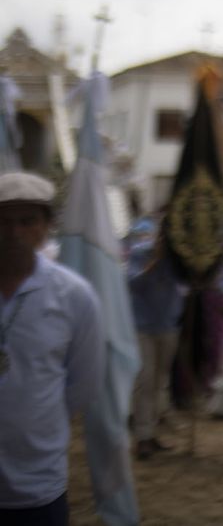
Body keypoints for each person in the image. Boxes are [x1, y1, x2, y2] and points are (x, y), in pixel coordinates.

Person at [0, 171, 104, 526]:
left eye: (27, 221)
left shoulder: (74, 297)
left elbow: (84, 385)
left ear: (46, 226)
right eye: (3, 221)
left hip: (37, 481)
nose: (13, 233)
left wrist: (35, 420)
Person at [125, 220, 186, 459]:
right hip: (143, 326)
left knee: (160, 381)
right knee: (145, 380)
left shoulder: (178, 259)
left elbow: (188, 284)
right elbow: (132, 283)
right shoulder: (141, 252)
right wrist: (155, 262)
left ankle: (151, 432)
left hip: (168, 325)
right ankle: (142, 437)